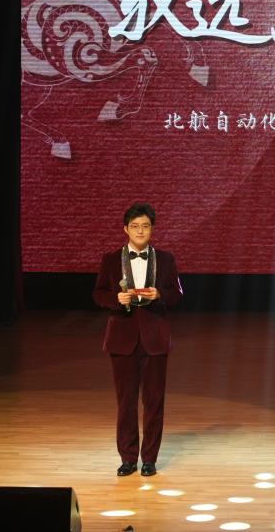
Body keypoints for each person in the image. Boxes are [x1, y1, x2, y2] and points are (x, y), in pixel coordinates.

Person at [92, 202, 184, 477]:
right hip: (122, 337)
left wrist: (160, 295)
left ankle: (149, 459)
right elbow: (98, 293)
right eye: (135, 226)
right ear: (126, 229)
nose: (140, 231)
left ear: (152, 229)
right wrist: (116, 299)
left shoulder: (165, 259)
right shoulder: (111, 259)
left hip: (155, 338)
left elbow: (178, 294)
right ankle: (128, 458)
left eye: (145, 226)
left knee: (154, 402)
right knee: (126, 402)